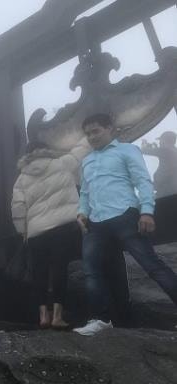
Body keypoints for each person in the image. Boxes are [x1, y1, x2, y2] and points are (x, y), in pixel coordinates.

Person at [74, 113, 177, 336]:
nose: (92, 137)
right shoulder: (87, 161)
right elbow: (84, 192)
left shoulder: (127, 150)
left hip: (125, 215)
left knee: (153, 266)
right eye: (88, 133)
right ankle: (100, 319)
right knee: (92, 272)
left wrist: (147, 211)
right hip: (96, 223)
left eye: (96, 131)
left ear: (110, 129)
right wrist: (82, 212)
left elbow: (142, 180)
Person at [11, 138, 90, 329]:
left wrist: (23, 231)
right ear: (47, 150)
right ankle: (57, 317)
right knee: (59, 270)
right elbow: (80, 151)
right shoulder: (61, 163)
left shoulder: (21, 178)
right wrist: (86, 136)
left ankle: (43, 316)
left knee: (39, 273)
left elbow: (17, 207)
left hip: (36, 233)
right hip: (62, 227)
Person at [141, 131, 177, 198]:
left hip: (167, 192)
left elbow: (144, 150)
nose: (159, 142)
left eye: (160, 140)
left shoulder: (166, 150)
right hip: (170, 190)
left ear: (164, 140)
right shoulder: (173, 150)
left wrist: (144, 143)